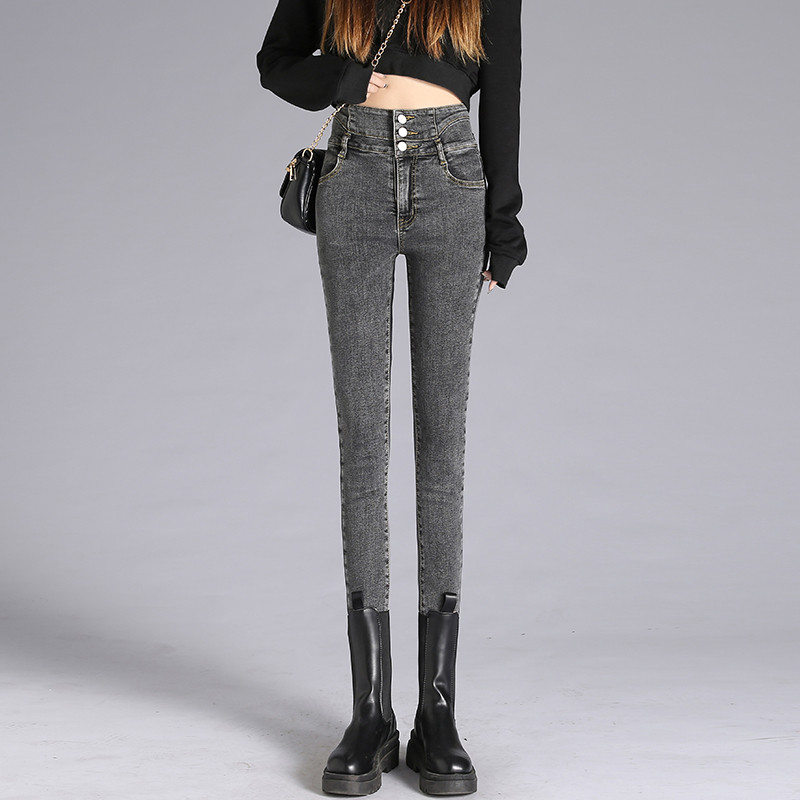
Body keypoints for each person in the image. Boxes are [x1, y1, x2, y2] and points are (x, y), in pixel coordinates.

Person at [256, 0, 526, 794]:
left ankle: (437, 713)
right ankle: (370, 714)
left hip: (453, 177)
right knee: (363, 438)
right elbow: (276, 61)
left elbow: (504, 89)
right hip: (354, 172)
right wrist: (342, 80)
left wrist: (503, 222)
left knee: (442, 441)